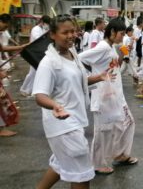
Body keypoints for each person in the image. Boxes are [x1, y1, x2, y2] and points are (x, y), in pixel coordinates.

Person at [32, 16, 110, 189]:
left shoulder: (72, 54)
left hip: (75, 120)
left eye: (73, 31)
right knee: (82, 175)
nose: (71, 35)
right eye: (65, 32)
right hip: (62, 125)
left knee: (60, 164)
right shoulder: (49, 62)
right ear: (52, 35)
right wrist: (55, 106)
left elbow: (78, 82)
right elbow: (39, 95)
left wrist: (98, 77)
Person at [79, 19, 138, 175]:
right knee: (102, 131)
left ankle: (119, 154)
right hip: (104, 95)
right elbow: (80, 58)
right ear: (112, 32)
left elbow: (113, 66)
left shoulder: (111, 47)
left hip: (116, 93)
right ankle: (97, 164)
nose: (122, 37)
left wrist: (122, 54)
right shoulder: (103, 47)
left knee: (126, 123)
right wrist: (94, 76)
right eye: (121, 34)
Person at [20, 15, 51, 97]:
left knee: (37, 73)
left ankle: (30, 90)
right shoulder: (35, 29)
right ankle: (24, 89)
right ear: (42, 22)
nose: (47, 25)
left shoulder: (44, 28)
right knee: (32, 73)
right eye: (46, 24)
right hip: (33, 52)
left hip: (39, 53)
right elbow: (38, 39)